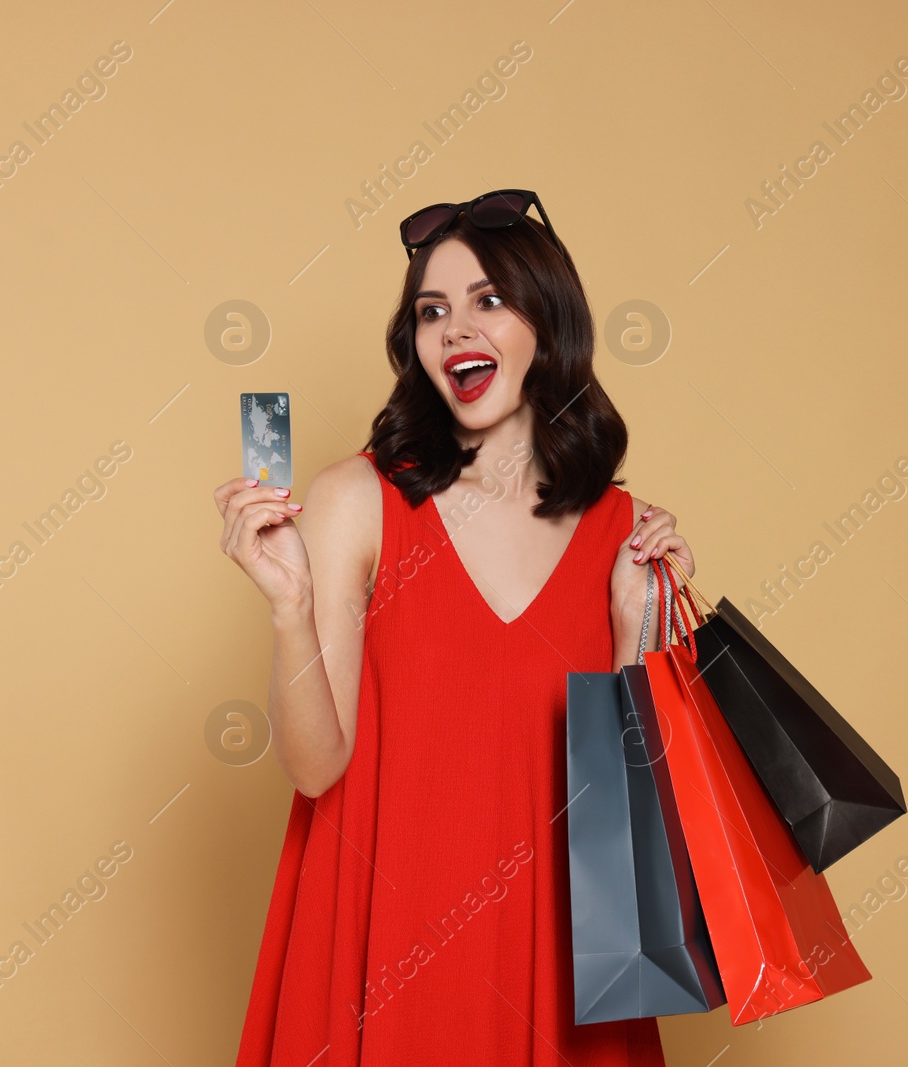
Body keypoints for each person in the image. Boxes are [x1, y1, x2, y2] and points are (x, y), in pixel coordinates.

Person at [215, 189, 697, 1064]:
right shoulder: (357, 500)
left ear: (547, 328)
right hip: (386, 951)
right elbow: (315, 766)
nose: (455, 330)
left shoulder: (618, 530)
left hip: (561, 964)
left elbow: (626, 816)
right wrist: (290, 608)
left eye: (489, 301)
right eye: (432, 310)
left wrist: (635, 618)